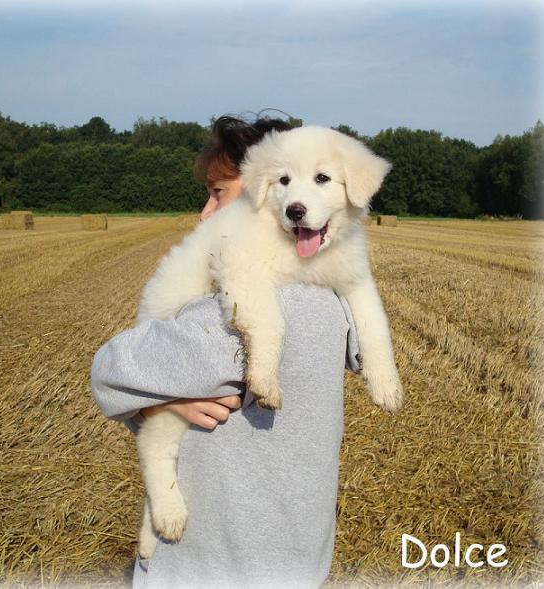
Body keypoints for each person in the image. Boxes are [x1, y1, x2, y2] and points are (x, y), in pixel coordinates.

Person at [91, 114, 361, 589]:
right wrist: (164, 402)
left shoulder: (233, 321)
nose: (205, 213)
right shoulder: (332, 301)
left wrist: (153, 402)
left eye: (218, 193)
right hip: (298, 551)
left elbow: (111, 373)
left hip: (213, 562)